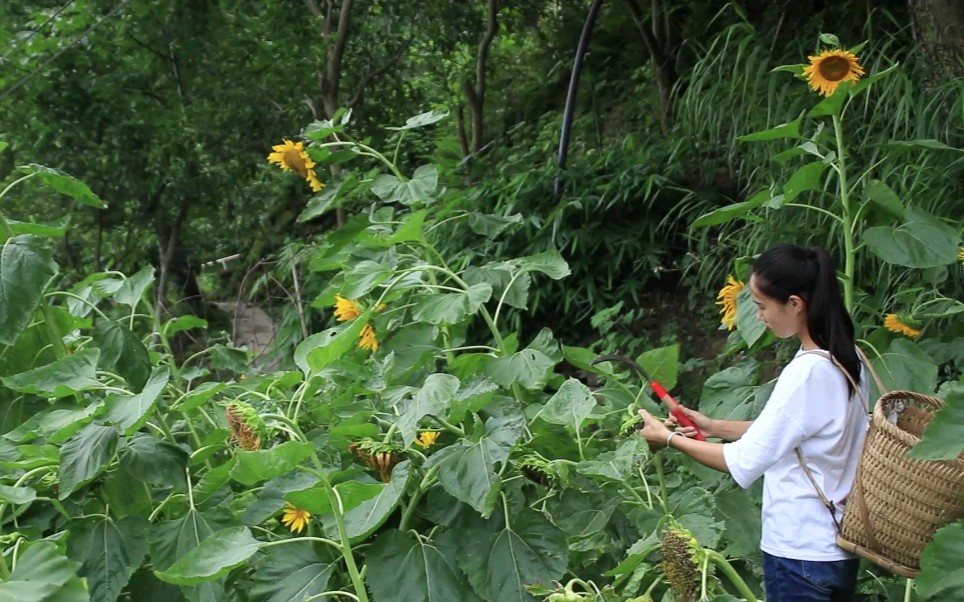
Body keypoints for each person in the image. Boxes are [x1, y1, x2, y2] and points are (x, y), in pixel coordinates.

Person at [636, 243, 870, 602]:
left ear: (795, 304)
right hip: (837, 549)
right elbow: (794, 433)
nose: (758, 316)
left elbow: (740, 461)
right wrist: (712, 425)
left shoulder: (806, 372)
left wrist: (667, 438)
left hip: (799, 553)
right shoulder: (847, 357)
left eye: (762, 306)